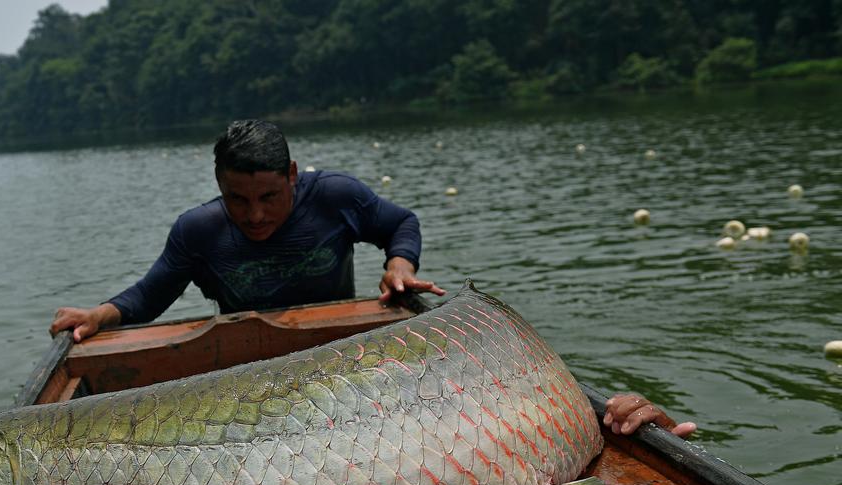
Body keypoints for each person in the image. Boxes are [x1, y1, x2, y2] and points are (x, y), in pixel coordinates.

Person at [50, 119, 694, 439]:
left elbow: (400, 224)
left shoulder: (335, 197)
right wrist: (100, 316)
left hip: (346, 355)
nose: (256, 215)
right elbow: (151, 294)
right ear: (219, 187)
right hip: (246, 373)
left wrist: (398, 267)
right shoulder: (198, 230)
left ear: (293, 177)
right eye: (237, 200)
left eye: (270, 197)